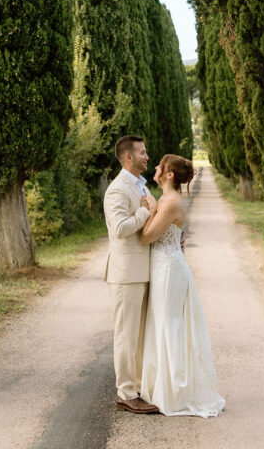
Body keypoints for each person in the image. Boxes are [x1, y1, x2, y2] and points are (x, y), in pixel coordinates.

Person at [139, 154, 225, 417]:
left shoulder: (170, 202)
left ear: (169, 175)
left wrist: (151, 210)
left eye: (160, 167)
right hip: (165, 264)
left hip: (168, 269)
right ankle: (160, 386)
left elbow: (146, 237)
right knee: (163, 323)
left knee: (169, 325)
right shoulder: (168, 199)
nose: (155, 167)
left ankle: (175, 391)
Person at [103, 134, 160, 413]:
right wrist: (144, 213)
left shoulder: (142, 185)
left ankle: (138, 386)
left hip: (146, 270)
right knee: (126, 335)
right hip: (126, 274)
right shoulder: (116, 189)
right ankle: (125, 393)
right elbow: (120, 228)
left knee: (140, 336)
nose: (147, 157)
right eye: (142, 153)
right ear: (128, 157)